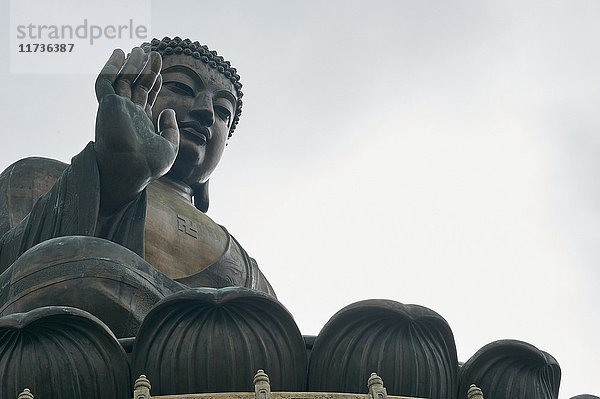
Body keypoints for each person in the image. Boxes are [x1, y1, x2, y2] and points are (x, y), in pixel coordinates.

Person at [0, 37, 274, 336]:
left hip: (216, 356)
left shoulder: (244, 266)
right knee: (67, 264)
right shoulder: (38, 178)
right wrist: (114, 178)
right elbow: (17, 278)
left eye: (223, 111)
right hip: (77, 345)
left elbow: (276, 337)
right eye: (181, 87)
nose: (206, 112)